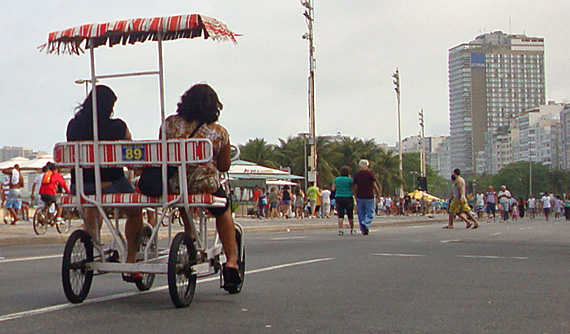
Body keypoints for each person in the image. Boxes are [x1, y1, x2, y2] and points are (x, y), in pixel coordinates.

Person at [161, 83, 241, 290]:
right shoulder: (218, 133)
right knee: (223, 209)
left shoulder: (169, 125)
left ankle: (189, 234)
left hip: (173, 183)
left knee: (182, 194)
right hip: (204, 184)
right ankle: (231, 261)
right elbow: (223, 166)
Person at [66, 85, 144, 273]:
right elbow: (130, 153)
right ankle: (132, 261)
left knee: (93, 202)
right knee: (135, 213)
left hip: (81, 186)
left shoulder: (73, 125)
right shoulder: (118, 127)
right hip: (111, 184)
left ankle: (90, 234)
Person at [352, 159, 381, 235]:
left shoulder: (357, 174)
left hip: (359, 195)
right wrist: (378, 195)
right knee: (370, 213)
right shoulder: (370, 173)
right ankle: (366, 223)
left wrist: (355, 195)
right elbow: (374, 185)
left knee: (361, 213)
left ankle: (363, 229)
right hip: (369, 195)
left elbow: (355, 186)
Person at [332, 166, 355, 235]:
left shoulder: (336, 179)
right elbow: (354, 188)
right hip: (348, 196)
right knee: (350, 214)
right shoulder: (350, 180)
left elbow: (333, 188)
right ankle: (352, 229)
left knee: (340, 214)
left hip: (339, 197)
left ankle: (340, 229)